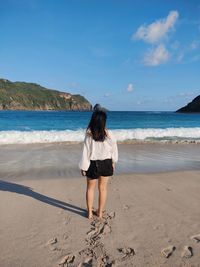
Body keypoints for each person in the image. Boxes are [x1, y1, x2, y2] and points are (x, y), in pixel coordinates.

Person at [79, 109, 118, 219]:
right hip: (106, 163)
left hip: (92, 164)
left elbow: (86, 152)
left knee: (90, 188)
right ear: (104, 122)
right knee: (103, 188)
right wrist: (113, 162)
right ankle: (100, 213)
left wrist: (83, 167)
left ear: (93, 121)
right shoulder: (109, 134)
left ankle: (90, 213)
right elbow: (114, 149)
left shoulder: (89, 134)